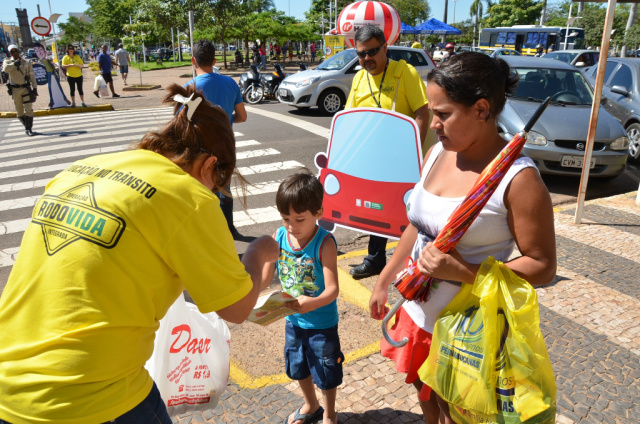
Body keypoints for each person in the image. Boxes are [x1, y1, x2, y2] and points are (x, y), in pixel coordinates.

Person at [0, 83, 279, 424]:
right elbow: (235, 309)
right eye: (219, 180)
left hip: (8, 381)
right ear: (209, 165)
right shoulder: (188, 196)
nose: (215, 190)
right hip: (88, 394)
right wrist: (257, 252)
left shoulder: (82, 168)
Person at [368, 52, 557, 424]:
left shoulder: (518, 179)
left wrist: (465, 271)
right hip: (418, 312)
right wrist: (385, 277)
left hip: (468, 333)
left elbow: (543, 265)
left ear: (482, 109)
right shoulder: (439, 151)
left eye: (444, 114)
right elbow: (418, 225)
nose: (433, 124)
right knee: (427, 400)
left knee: (460, 415)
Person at [345, 25, 430, 279]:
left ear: (385, 47)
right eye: (361, 54)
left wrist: (413, 154)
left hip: (403, 159)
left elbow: (421, 113)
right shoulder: (359, 78)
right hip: (372, 160)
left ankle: (417, 262)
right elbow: (350, 119)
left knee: (412, 211)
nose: (366, 59)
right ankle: (375, 260)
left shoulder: (406, 73)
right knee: (378, 210)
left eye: (372, 52)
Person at [267, 171, 342, 424]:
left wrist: (312, 303)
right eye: (285, 218)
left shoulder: (325, 243)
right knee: (298, 365)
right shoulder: (280, 237)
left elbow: (332, 289)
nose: (291, 226)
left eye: (299, 219)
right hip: (293, 320)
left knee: (326, 370)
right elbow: (267, 274)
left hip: (321, 324)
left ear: (318, 212)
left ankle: (330, 414)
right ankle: (311, 404)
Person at [184, 39, 247, 239]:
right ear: (215, 59)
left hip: (200, 151)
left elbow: (183, 122)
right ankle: (230, 229)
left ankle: (209, 234)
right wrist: (226, 120)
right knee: (225, 190)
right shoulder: (229, 83)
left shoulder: (190, 88)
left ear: (194, 60)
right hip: (226, 147)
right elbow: (242, 116)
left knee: (202, 192)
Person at [2, 44, 38, 136]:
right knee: (19, 111)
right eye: (12, 52)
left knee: (29, 110)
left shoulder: (26, 62)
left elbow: (32, 75)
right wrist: (14, 64)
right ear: (10, 53)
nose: (14, 53)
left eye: (16, 51)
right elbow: (5, 69)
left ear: (19, 51)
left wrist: (35, 88)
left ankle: (29, 129)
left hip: (25, 88)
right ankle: (26, 126)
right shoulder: (7, 61)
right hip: (15, 90)